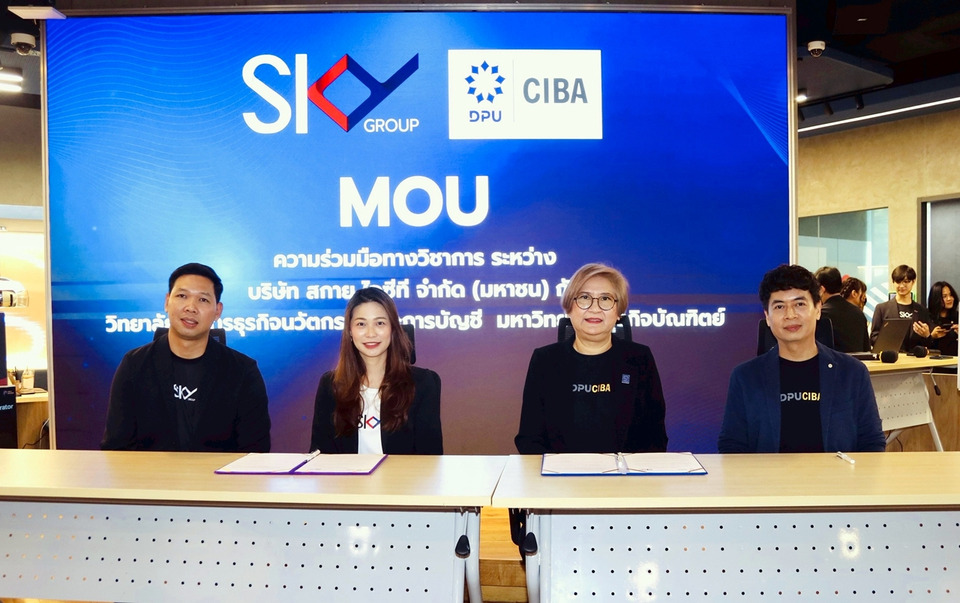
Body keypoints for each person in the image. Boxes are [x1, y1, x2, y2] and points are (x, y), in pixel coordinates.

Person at [101, 263, 271, 452]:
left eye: (203, 300)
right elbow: (116, 447)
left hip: (217, 473)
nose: (191, 307)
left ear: (217, 311)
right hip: (150, 472)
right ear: (167, 302)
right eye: (182, 296)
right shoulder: (134, 365)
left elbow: (255, 452)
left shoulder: (242, 372)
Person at [718, 264, 885, 453]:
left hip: (835, 473)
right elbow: (731, 447)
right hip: (769, 473)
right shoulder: (745, 377)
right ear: (767, 317)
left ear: (818, 309)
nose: (790, 315)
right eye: (779, 306)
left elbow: (872, 442)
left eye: (799, 304)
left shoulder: (852, 373)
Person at [515, 262, 667, 453]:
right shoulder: (545, 360)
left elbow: (655, 437)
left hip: (626, 471)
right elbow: (529, 438)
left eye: (605, 298)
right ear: (569, 307)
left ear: (619, 312)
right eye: (585, 297)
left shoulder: (640, 359)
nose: (595, 308)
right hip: (560, 471)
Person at [311, 287, 442, 454]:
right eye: (361, 324)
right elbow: (319, 454)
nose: (371, 333)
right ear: (350, 331)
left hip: (404, 472)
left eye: (380, 323)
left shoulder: (423, 384)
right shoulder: (331, 385)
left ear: (393, 329)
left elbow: (430, 457)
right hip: (346, 473)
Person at [869, 265, 931, 351]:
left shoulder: (921, 310)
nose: (902, 286)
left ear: (913, 282)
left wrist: (927, 335)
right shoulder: (882, 308)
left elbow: (928, 343)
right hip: (891, 357)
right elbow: (873, 337)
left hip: (914, 357)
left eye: (906, 282)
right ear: (893, 282)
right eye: (898, 282)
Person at [813, 266, 869, 353]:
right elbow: (866, 349)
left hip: (831, 361)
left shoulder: (820, 314)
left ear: (821, 289)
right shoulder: (859, 313)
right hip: (856, 361)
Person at [928, 281, 959, 356]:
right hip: (934, 360)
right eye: (944, 296)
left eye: (951, 295)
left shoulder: (957, 316)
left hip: (955, 360)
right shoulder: (927, 317)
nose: (949, 299)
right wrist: (931, 337)